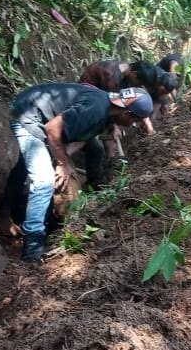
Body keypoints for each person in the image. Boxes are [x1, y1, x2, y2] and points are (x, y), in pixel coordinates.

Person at [9, 83, 153, 261]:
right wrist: (62, 163)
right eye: (135, 121)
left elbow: (82, 137)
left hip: (41, 116)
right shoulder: (96, 109)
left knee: (92, 150)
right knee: (44, 180)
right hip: (29, 116)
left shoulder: (107, 111)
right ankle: (32, 244)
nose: (132, 125)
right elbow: (53, 129)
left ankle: (10, 205)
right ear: (126, 113)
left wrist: (61, 158)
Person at [79, 59, 176, 132]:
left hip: (98, 96)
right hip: (85, 96)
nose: (138, 86)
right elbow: (109, 103)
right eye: (139, 83)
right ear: (135, 74)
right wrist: (113, 125)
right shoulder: (111, 76)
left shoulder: (124, 72)